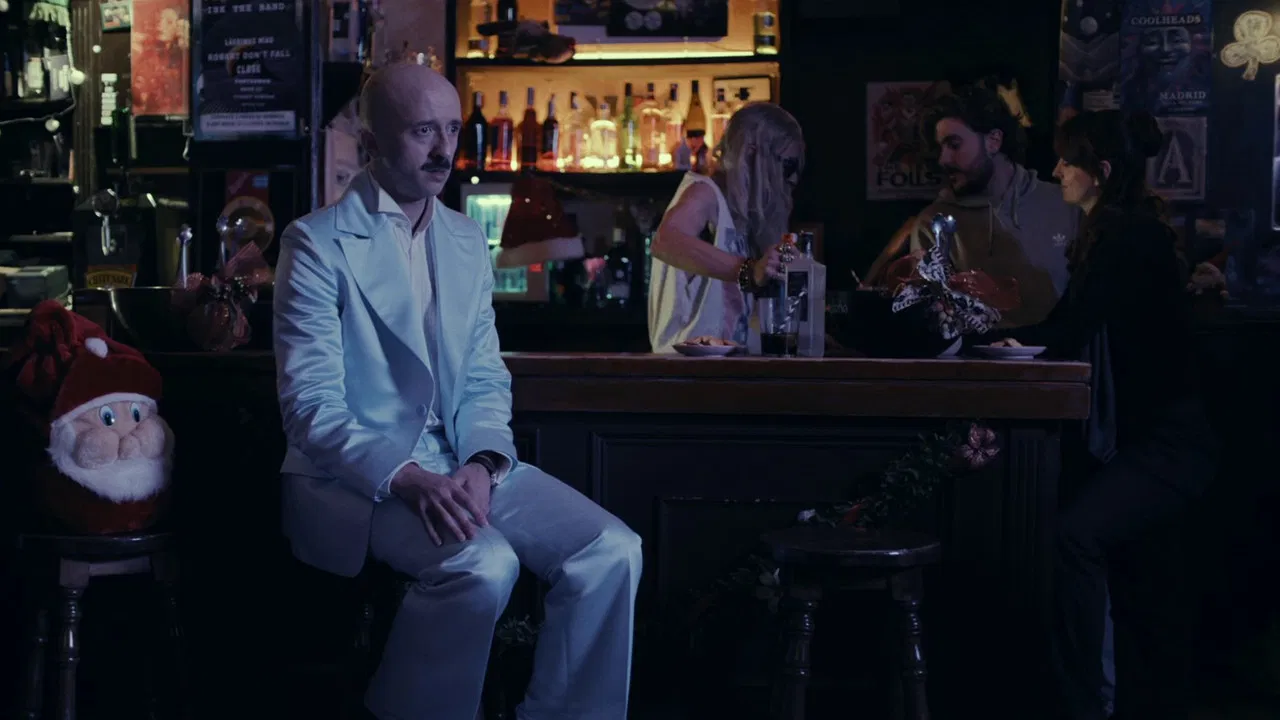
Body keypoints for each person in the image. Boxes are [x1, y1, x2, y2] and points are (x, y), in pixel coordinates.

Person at [272, 62, 642, 720]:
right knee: (484, 564)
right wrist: (410, 478)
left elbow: (482, 375)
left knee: (613, 550)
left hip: (463, 459)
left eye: (450, 128)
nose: (445, 149)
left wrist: (484, 462)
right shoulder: (315, 243)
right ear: (372, 143)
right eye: (423, 131)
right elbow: (311, 409)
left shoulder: (467, 237)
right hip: (359, 480)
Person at [985, 109, 1215, 720]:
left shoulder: (1127, 236)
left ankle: (1089, 702)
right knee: (1104, 552)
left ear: (1102, 171)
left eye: (1069, 161)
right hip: (1152, 438)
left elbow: (1071, 327)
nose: (1057, 169)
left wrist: (993, 341)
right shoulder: (1118, 230)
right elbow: (1068, 324)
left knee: (1075, 537)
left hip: (1167, 443)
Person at [862, 82, 1080, 328]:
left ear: (994, 141)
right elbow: (934, 321)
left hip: (1063, 351)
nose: (943, 159)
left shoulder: (1066, 204)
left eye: (954, 145)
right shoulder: (935, 223)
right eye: (940, 148)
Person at [648, 102, 805, 352]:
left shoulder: (737, 213)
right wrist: (748, 271)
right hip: (685, 369)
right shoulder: (704, 192)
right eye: (787, 165)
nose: (792, 178)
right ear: (752, 153)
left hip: (716, 368)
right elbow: (665, 241)